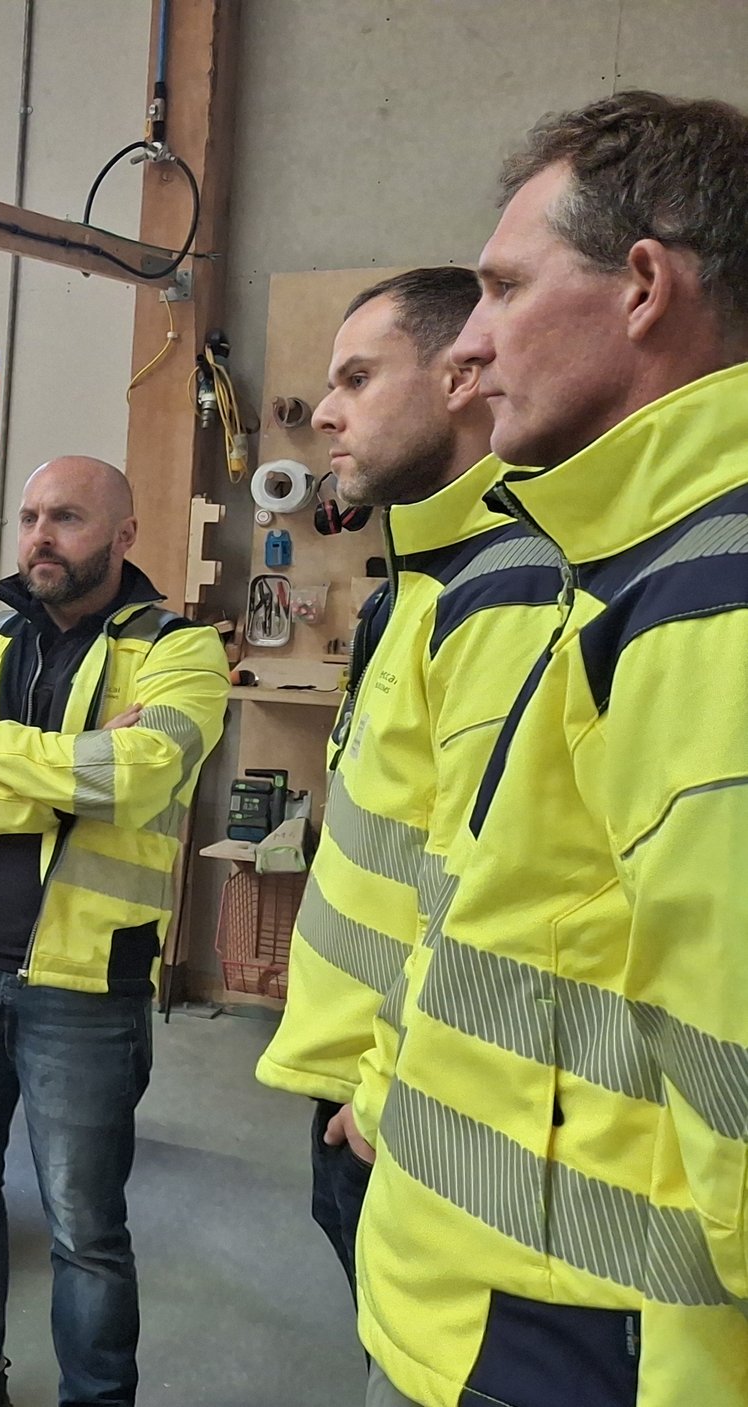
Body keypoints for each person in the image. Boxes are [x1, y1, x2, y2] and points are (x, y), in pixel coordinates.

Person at [352, 92, 748, 1406]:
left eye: (505, 287)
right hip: (497, 1303)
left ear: (643, 287)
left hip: (561, 1339)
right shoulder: (629, 567)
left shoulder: (709, 601)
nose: (469, 342)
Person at [0, 457, 229, 1407]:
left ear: (123, 534)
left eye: (66, 517)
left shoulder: (181, 651)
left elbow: (141, 777)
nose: (40, 535)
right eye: (29, 516)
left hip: (84, 981)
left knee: (84, 1225)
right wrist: (63, 784)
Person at [249, 267, 563, 1294]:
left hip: (400, 1106)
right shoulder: (422, 581)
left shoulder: (504, 591)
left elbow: (494, 896)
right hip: (363, 1084)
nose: (327, 413)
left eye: (356, 376)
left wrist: (384, 1097)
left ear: (459, 379)